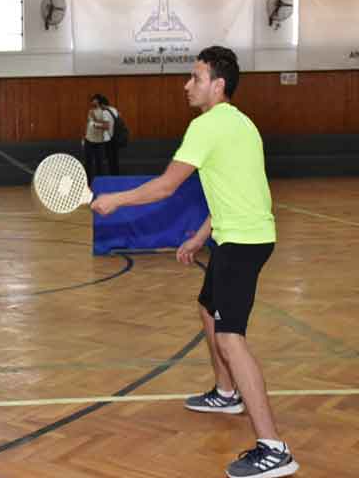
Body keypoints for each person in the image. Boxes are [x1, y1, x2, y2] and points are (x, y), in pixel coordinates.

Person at [90, 46, 297, 478]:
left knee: (230, 338)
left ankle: (274, 448)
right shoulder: (243, 124)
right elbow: (240, 189)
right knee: (207, 308)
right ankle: (226, 393)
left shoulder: (207, 126)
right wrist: (200, 235)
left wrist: (116, 200)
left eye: (196, 78)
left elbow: (166, 186)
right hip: (236, 236)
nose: (188, 85)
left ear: (217, 85)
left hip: (243, 243)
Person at [94, 94, 121, 176]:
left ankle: (111, 176)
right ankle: (116, 176)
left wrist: (96, 125)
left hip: (108, 139)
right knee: (115, 159)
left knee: (109, 159)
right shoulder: (114, 109)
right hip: (116, 137)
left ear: (102, 104)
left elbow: (106, 126)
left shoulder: (105, 112)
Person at [83, 95, 107, 182]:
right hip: (88, 140)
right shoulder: (90, 111)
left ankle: (100, 181)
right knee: (88, 162)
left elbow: (106, 126)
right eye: (92, 100)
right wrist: (84, 136)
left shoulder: (104, 112)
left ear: (99, 101)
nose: (93, 102)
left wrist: (95, 119)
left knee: (99, 163)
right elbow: (89, 124)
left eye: (95, 100)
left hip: (99, 142)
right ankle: (88, 181)